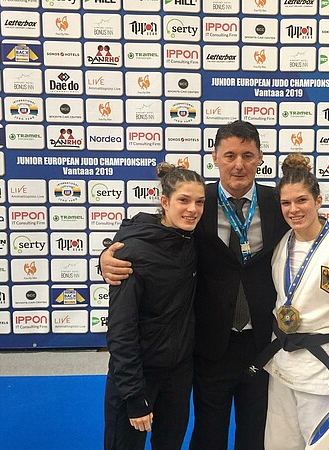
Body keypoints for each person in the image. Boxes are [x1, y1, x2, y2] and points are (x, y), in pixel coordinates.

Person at [100, 120, 329, 450]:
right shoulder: (197, 202)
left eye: (247, 155)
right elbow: (152, 229)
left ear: (260, 157)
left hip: (263, 344)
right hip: (210, 343)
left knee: (257, 434)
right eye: (230, 155)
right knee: (208, 434)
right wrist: (107, 254)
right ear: (215, 158)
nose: (238, 164)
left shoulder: (278, 201)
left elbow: (316, 237)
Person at [254, 154, 329, 450]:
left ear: (318, 201)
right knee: (279, 444)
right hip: (282, 364)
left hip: (320, 371)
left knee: (325, 445)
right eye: (286, 203)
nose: (293, 209)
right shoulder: (281, 244)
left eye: (302, 200)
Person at [104, 163, 205, 450]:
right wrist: (134, 394)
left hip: (178, 374)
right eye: (183, 200)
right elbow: (121, 329)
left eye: (199, 202)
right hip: (138, 374)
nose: (192, 209)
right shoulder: (132, 251)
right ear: (165, 202)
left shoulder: (192, 240)